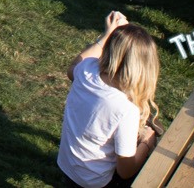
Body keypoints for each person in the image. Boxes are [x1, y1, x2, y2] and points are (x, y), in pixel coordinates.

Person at [55, 11, 162, 188]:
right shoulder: (126, 109)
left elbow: (72, 68)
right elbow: (125, 170)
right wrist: (147, 142)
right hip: (95, 182)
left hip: (67, 167)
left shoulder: (86, 71)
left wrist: (108, 33)